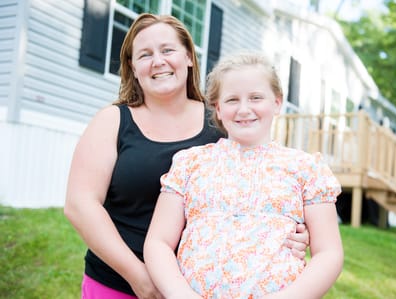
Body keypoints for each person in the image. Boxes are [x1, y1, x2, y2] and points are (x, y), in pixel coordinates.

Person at [64, 13, 309, 299]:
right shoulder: (113, 121)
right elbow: (80, 205)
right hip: (117, 283)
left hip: (198, 289)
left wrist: (292, 233)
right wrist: (138, 276)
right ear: (133, 67)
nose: (158, 61)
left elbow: (260, 186)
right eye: (145, 54)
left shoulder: (222, 121)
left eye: (168, 50)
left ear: (189, 57)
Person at [144, 52, 344, 299]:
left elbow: (329, 253)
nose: (244, 109)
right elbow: (158, 242)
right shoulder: (190, 163)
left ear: (277, 103)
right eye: (232, 100)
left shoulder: (305, 168)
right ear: (218, 108)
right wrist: (180, 295)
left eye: (256, 97)